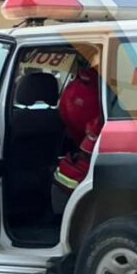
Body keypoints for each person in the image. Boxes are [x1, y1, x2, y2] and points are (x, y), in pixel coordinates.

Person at [52, 49, 103, 214]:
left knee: (65, 177)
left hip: (92, 156)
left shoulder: (77, 91)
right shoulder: (104, 87)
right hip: (92, 147)